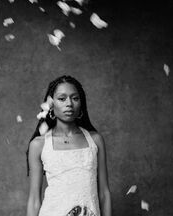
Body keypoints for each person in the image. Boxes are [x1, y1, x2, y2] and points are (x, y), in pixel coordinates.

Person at [26, 75, 112, 216]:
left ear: (81, 104)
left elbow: (104, 193)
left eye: (75, 98)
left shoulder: (95, 140)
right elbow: (34, 200)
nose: (69, 104)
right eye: (62, 98)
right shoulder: (38, 145)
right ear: (51, 104)